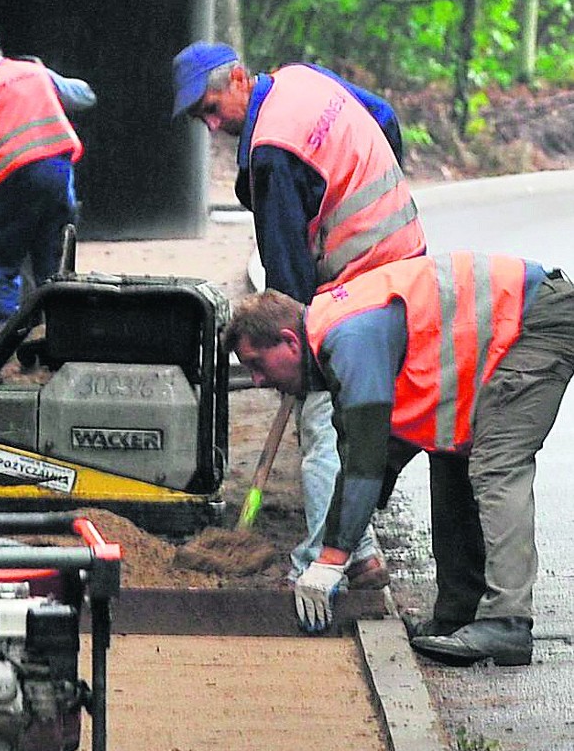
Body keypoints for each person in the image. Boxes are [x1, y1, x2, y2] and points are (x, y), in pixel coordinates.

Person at [223, 260, 574, 666]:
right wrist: (340, 545)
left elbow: (365, 457)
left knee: (497, 466)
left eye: (256, 364)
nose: (258, 381)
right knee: (449, 453)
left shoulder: (349, 338)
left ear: (289, 342)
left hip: (535, 322)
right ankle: (456, 615)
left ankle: (507, 623)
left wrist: (332, 559)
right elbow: (369, 454)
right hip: (501, 333)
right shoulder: (333, 333)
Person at [172, 42, 427, 591]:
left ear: (239, 78)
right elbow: (383, 116)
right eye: (202, 118)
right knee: (365, 407)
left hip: (360, 274)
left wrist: (297, 350)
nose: (213, 125)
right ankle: (356, 546)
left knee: (323, 419)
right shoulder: (302, 80)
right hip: (404, 256)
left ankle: (331, 558)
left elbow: (287, 283)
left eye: (212, 108)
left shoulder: (270, 152)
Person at [0, 26, 96, 328]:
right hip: (58, 175)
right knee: (51, 262)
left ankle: (13, 338)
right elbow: (85, 97)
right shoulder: (34, 72)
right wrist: (46, 75)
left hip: (12, 181)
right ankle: (55, 335)